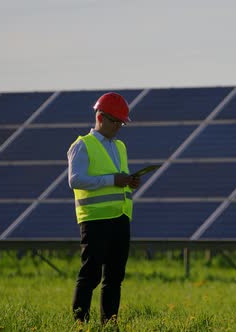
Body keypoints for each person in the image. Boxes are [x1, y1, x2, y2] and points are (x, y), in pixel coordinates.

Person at [69, 92, 141, 324]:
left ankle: (109, 324)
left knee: (114, 276)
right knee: (90, 275)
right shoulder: (82, 146)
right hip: (95, 218)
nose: (119, 126)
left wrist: (128, 182)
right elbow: (75, 180)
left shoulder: (120, 146)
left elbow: (116, 179)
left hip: (120, 216)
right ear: (101, 117)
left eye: (121, 122)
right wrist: (113, 180)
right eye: (115, 121)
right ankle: (81, 324)